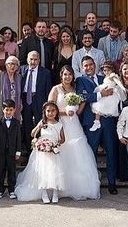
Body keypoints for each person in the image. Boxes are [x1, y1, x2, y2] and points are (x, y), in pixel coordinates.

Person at [46, 65, 101, 200]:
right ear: (61, 75)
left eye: (69, 74)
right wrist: (65, 112)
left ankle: (78, 186)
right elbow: (48, 109)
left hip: (74, 124)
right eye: (65, 74)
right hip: (60, 124)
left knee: (78, 152)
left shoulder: (76, 90)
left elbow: (79, 111)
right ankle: (57, 187)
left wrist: (81, 103)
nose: (67, 77)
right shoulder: (55, 89)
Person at [76, 56, 121, 194]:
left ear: (94, 65)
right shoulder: (80, 80)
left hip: (107, 120)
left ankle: (112, 183)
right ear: (82, 68)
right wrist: (100, 94)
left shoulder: (104, 78)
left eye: (90, 64)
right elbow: (83, 96)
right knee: (91, 153)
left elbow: (114, 92)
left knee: (111, 151)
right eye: (85, 66)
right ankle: (93, 184)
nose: (88, 67)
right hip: (91, 121)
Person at [16, 102, 65, 203]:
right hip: (42, 152)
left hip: (53, 151)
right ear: (44, 112)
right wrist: (39, 127)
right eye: (48, 111)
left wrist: (56, 144)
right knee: (43, 171)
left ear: (56, 112)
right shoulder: (42, 123)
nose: (50, 113)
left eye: (53, 111)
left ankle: (55, 193)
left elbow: (63, 139)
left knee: (54, 170)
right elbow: (32, 133)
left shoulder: (59, 124)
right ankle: (44, 193)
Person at [20, 51, 52, 149]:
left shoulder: (46, 73)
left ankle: (40, 148)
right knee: (27, 125)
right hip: (25, 100)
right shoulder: (21, 70)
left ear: (39, 60)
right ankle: (29, 150)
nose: (33, 62)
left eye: (35, 59)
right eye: (31, 59)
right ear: (27, 60)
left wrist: (47, 105)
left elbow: (48, 90)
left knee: (40, 124)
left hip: (39, 100)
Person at [0, 99, 22, 199]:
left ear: (14, 110)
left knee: (11, 171)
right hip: (1, 151)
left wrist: (18, 150)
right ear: (3, 109)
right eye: (6, 110)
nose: (8, 112)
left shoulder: (17, 122)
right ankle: (0, 190)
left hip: (12, 151)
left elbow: (18, 137)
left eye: (10, 110)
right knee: (1, 171)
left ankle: (11, 190)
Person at [89, 61, 126, 132]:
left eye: (108, 70)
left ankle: (97, 122)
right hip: (104, 90)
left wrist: (123, 88)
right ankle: (97, 121)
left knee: (100, 105)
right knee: (98, 106)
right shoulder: (105, 76)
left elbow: (118, 82)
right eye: (104, 70)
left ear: (112, 70)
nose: (106, 72)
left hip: (111, 92)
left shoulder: (113, 75)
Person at [0, 55, 22, 121]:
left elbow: (20, 94)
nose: (12, 66)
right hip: (2, 109)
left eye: (15, 64)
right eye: (10, 64)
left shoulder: (19, 77)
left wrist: (21, 103)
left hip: (15, 110)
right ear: (6, 65)